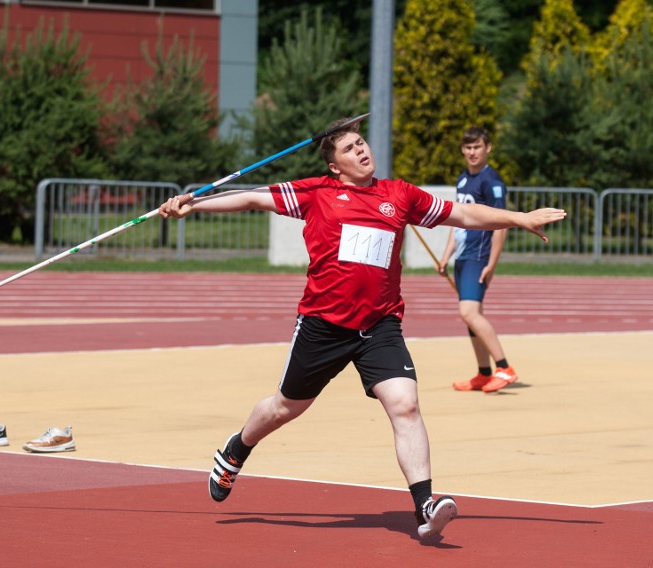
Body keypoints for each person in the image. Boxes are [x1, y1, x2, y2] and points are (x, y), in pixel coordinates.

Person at [158, 118, 565, 541]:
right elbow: (251, 200)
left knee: (405, 405)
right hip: (323, 325)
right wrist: (195, 204)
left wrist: (517, 218)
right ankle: (238, 447)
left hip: (379, 325)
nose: (361, 150)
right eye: (350, 149)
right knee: (286, 407)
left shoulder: (398, 194)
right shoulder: (316, 193)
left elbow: (462, 213)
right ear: (334, 166)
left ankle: (425, 505)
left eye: (361, 143)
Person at [439, 126, 517, 394]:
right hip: (462, 256)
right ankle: (484, 373)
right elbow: (457, 220)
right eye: (468, 147)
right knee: (472, 317)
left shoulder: (491, 182)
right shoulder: (462, 179)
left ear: (488, 148)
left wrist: (492, 263)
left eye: (477, 147)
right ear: (463, 150)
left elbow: (502, 224)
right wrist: (446, 256)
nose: (472, 152)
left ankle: (504, 368)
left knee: (468, 313)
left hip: (478, 256)